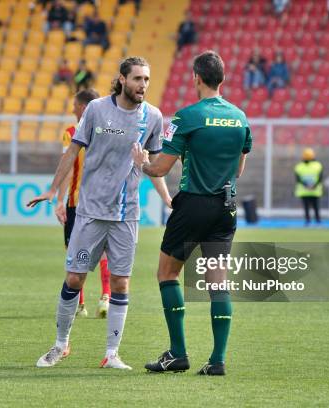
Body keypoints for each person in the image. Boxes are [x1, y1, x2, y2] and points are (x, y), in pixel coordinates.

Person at [28, 56, 172, 370]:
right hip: (90, 211)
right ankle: (60, 345)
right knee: (75, 278)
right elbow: (73, 150)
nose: (143, 85)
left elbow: (157, 167)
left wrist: (168, 199)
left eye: (146, 79)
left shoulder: (154, 117)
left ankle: (112, 354)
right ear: (122, 79)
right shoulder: (96, 109)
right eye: (137, 79)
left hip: (126, 215)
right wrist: (53, 191)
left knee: (121, 284)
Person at [132, 50, 252, 376]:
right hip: (225, 208)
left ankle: (177, 353)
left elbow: (160, 166)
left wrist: (140, 160)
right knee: (218, 285)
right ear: (222, 79)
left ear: (196, 77)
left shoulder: (187, 117)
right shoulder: (240, 118)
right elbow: (238, 168)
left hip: (193, 205)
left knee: (167, 274)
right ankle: (217, 360)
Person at [55, 89, 112, 319]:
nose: (72, 109)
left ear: (84, 107)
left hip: (77, 203)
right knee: (106, 252)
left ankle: (80, 304)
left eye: (75, 106)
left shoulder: (71, 132)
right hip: (103, 201)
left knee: (74, 253)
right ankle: (106, 297)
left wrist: (60, 200)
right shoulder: (109, 130)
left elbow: (67, 167)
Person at [295, 148, 323, 225]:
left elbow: (298, 179)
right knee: (315, 207)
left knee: (308, 207)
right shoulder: (318, 165)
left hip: (305, 190)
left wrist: (306, 185)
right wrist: (313, 185)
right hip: (314, 190)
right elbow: (320, 178)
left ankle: (309, 221)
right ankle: (317, 221)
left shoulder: (299, 166)